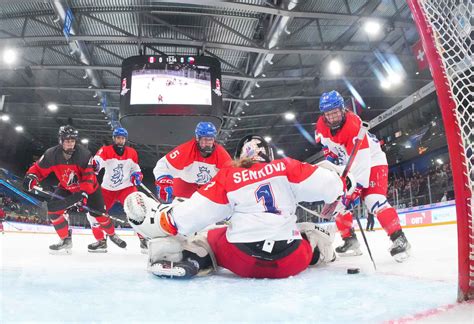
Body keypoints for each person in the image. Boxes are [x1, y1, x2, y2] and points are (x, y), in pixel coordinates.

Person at [125, 134, 356, 279]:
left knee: (211, 237)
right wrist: (343, 182)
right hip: (290, 262)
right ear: (269, 154)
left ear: (239, 156)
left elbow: (189, 216)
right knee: (308, 233)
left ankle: (194, 257)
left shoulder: (229, 176)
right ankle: (320, 253)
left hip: (244, 262)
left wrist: (164, 217)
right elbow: (332, 185)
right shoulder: (286, 167)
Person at [315, 90, 411, 262]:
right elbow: (326, 145)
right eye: (329, 114)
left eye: (336, 112)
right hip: (348, 163)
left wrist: (355, 190)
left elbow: (362, 162)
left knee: (373, 199)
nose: (333, 117)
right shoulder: (321, 125)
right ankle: (350, 241)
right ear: (323, 115)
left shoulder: (353, 126)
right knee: (338, 202)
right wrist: (331, 160)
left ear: (342, 109)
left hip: (372, 161)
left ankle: (399, 239)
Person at [23, 125, 126, 254]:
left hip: (90, 190)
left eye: (72, 141)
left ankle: (112, 234)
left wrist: (83, 194)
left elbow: (88, 177)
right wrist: (31, 176)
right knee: (54, 211)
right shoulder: (51, 154)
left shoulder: (84, 154)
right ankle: (65, 240)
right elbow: (38, 169)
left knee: (99, 215)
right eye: (67, 141)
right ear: (60, 141)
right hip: (66, 187)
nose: (70, 144)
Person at [91, 127, 144, 253]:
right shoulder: (105, 150)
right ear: (114, 139)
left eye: (123, 138)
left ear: (125, 139)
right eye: (118, 138)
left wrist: (137, 175)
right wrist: (95, 165)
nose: (120, 140)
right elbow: (97, 162)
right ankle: (101, 242)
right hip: (107, 190)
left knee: (138, 211)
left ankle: (144, 240)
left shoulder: (132, 152)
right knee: (93, 215)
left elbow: (136, 169)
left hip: (126, 188)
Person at [153, 122, 232, 203]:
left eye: (210, 139)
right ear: (198, 138)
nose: (208, 143)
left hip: (207, 186)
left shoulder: (221, 154)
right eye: (204, 139)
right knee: (178, 208)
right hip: (184, 183)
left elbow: (231, 175)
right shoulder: (186, 150)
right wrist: (163, 181)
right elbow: (163, 165)